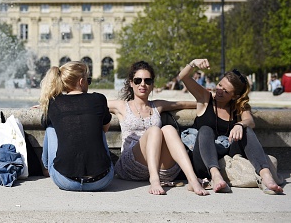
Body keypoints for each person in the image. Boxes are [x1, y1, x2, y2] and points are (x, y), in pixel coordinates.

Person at [178, 59, 284, 194]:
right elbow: (183, 77)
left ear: (235, 96)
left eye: (225, 91)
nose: (219, 90)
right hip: (203, 161)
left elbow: (250, 121)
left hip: (228, 156)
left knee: (246, 129)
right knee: (205, 129)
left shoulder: (238, 107)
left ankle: (266, 176)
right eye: (219, 85)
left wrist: (240, 124)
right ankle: (216, 176)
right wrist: (193, 63)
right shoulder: (205, 98)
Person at [108, 61, 208, 196]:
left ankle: (193, 180)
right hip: (131, 165)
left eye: (147, 81)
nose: (143, 84)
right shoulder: (121, 106)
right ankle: (154, 180)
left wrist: (213, 100)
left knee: (168, 129)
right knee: (155, 130)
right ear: (131, 83)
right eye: (138, 80)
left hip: (162, 169)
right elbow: (94, 102)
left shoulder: (157, 106)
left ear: (152, 84)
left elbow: (185, 103)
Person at [39, 61, 114, 191]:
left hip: (65, 180)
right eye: (88, 80)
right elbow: (105, 129)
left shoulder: (54, 103)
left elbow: (43, 123)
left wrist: (47, 109)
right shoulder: (98, 99)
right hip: (102, 180)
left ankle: (46, 168)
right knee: (100, 127)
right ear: (81, 81)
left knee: (51, 127)